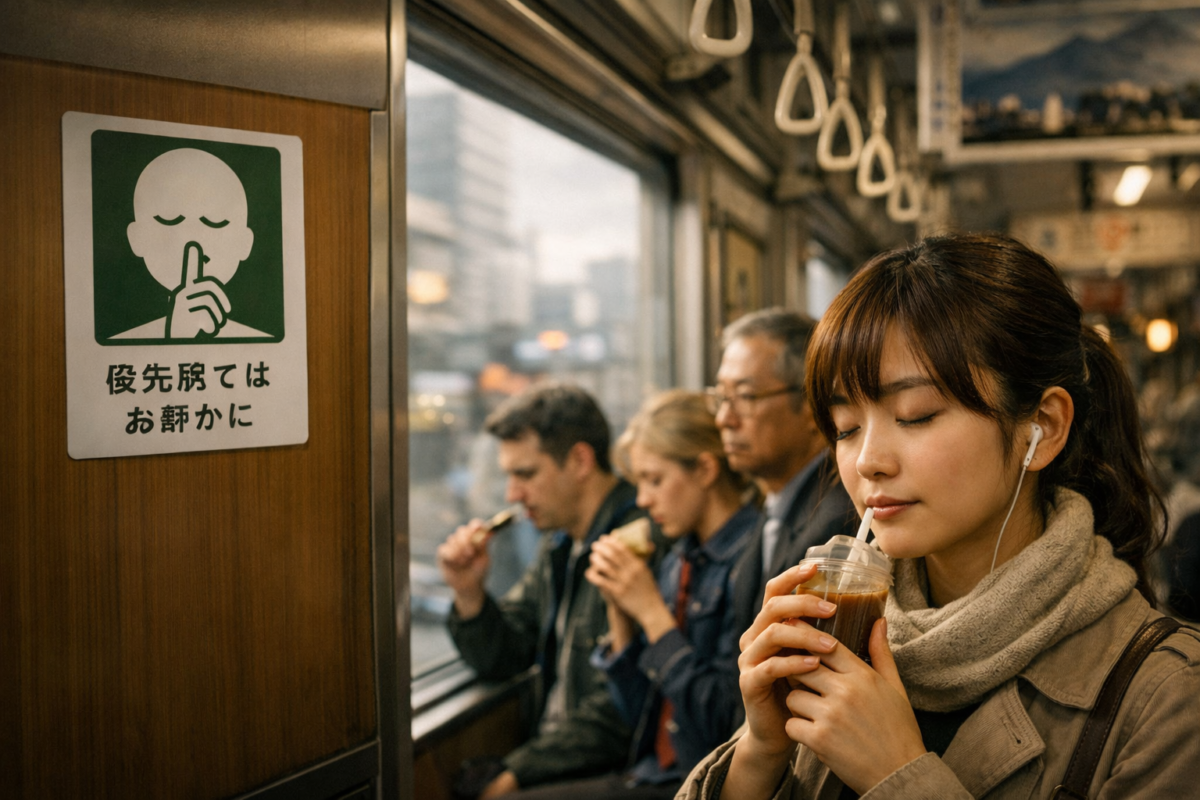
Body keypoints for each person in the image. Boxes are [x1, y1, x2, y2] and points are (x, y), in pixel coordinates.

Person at [679, 233, 1200, 799]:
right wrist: (760, 750)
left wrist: (897, 775)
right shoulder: (837, 637)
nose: (868, 462)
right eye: (846, 428)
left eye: (917, 415)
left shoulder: (1168, 695)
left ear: (1043, 427)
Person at [508, 390, 756, 799]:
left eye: (655, 480)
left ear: (706, 470)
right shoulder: (679, 559)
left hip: (704, 779)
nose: (642, 499)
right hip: (650, 771)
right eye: (639, 482)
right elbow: (640, 714)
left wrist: (652, 614)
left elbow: (721, 722)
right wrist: (620, 615)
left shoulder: (750, 560)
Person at [437, 384, 647, 798]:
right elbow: (504, 654)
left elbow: (620, 708)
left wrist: (517, 773)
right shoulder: (562, 544)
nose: (513, 495)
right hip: (561, 759)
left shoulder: (637, 544)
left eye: (526, 474)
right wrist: (469, 595)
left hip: (614, 768)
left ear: (580, 460)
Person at [709, 308, 858, 637]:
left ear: (811, 406)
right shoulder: (775, 504)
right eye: (721, 397)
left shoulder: (837, 520)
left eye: (745, 397)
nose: (724, 418)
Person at [116, 147, 271, 340]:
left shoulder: (261, 341)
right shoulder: (120, 344)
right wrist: (178, 336)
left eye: (215, 221)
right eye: (170, 219)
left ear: (245, 242)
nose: (192, 240)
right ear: (136, 237)